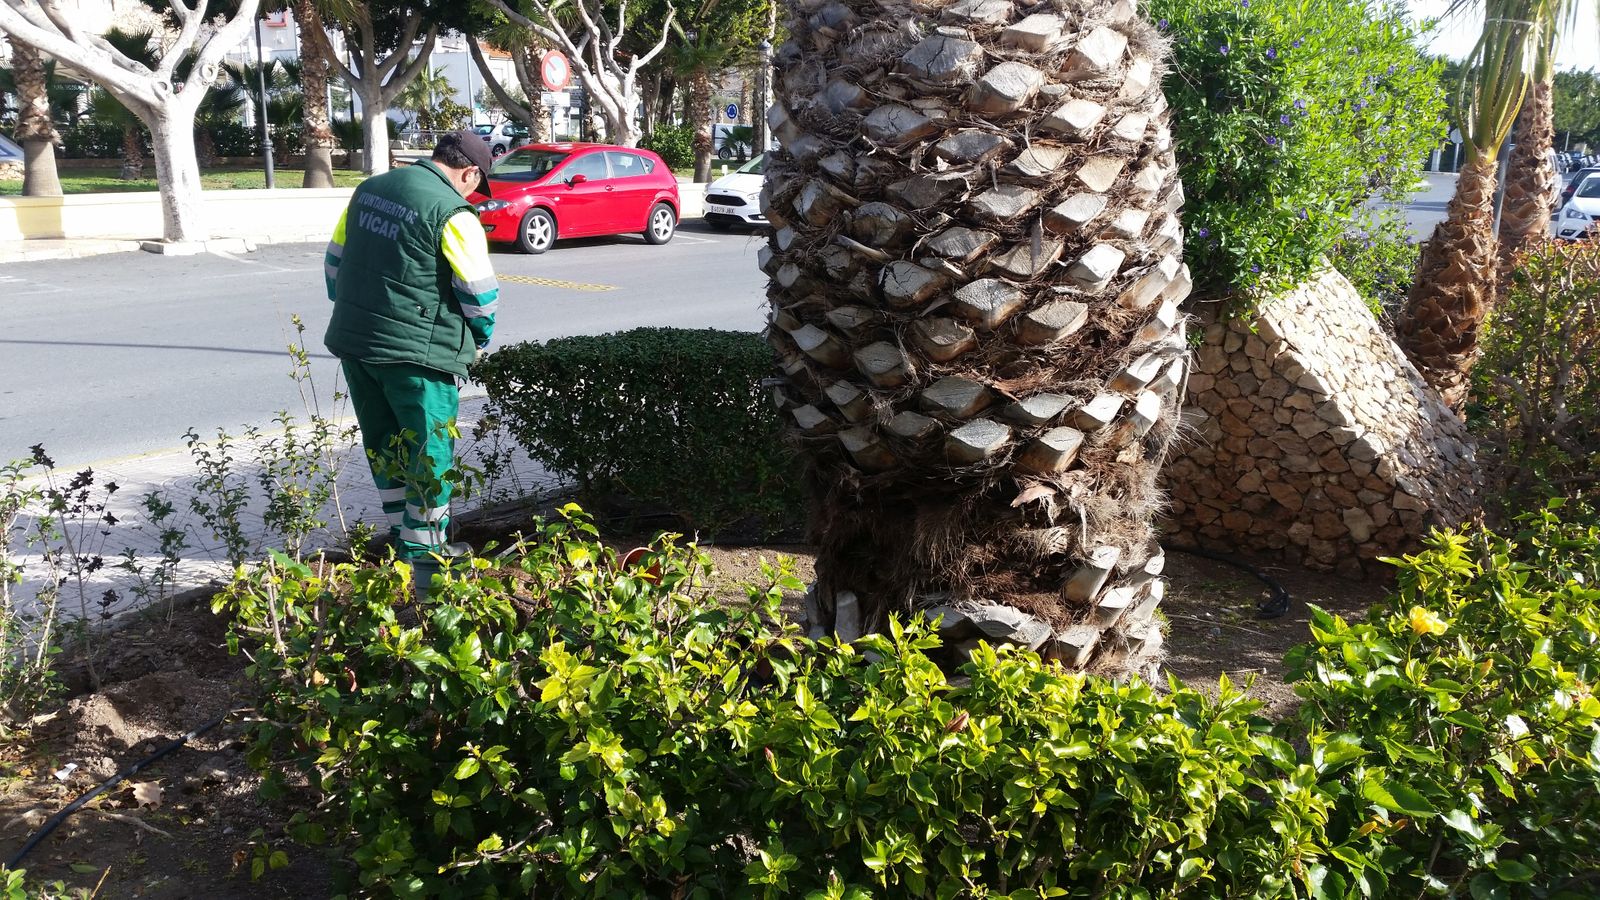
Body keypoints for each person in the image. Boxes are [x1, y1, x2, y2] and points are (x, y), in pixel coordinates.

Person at [322, 129, 500, 591]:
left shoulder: (369, 190)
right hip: (418, 358)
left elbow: (334, 265)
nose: (472, 195)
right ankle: (425, 556)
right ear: (469, 173)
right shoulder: (453, 212)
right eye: (476, 186)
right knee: (429, 452)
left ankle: (404, 536)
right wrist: (478, 340)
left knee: (385, 443)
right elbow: (480, 297)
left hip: (358, 345)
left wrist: (358, 312)